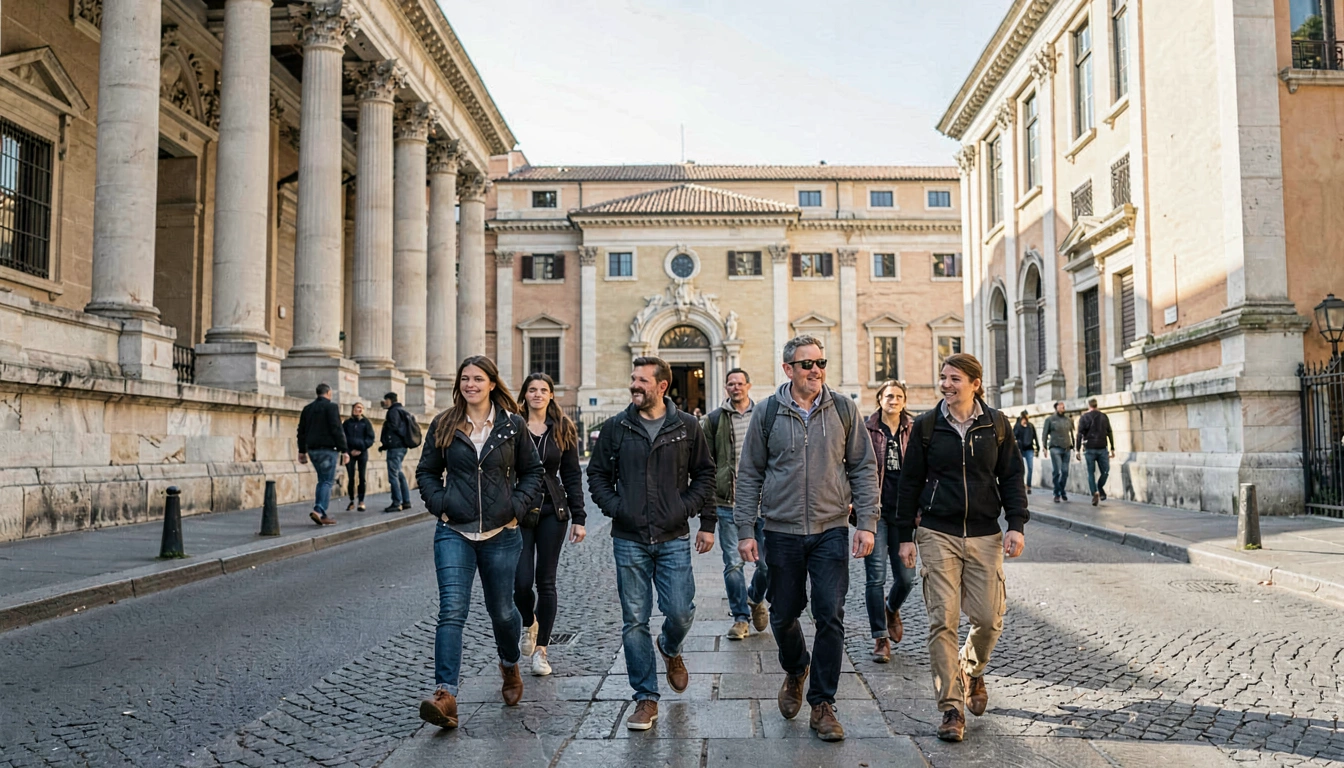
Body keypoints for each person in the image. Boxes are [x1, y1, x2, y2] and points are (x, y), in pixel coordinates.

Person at [735, 335, 879, 742]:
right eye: (806, 364)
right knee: (782, 614)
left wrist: (866, 522)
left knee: (830, 613)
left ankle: (822, 704)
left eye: (820, 363)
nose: (815, 370)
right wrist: (747, 529)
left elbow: (864, 469)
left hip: (831, 528)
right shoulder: (767, 413)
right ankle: (797, 668)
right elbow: (749, 475)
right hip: (780, 530)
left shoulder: (844, 409)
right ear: (788, 370)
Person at [896, 353, 1028, 743]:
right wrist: (905, 535)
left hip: (986, 534)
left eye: (954, 378)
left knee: (989, 618)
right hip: (937, 532)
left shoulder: (997, 424)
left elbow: (1012, 477)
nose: (946, 384)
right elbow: (909, 483)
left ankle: (971, 668)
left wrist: (1016, 525)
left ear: (975, 383)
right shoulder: (926, 426)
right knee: (944, 620)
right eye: (943, 378)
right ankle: (951, 708)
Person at [414, 355, 545, 730]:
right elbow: (426, 470)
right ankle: (445, 694)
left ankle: (509, 665)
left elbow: (532, 471)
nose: (471, 384)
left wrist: (514, 508)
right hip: (454, 532)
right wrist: (440, 504)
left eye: (478, 378)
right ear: (459, 385)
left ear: (492, 383)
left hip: (501, 535)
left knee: (503, 612)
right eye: (465, 378)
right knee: (451, 610)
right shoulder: (444, 423)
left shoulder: (512, 425)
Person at [587, 356, 716, 732]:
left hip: (674, 535)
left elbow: (705, 473)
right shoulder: (616, 427)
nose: (634, 386)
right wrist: (617, 508)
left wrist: (692, 512)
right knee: (634, 621)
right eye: (632, 379)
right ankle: (645, 698)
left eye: (641, 380)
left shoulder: (687, 426)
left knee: (680, 612)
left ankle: (671, 648)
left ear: (662, 386)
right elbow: (597, 475)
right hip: (629, 539)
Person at [514, 373, 587, 677]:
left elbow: (571, 475)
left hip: (552, 511)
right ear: (525, 395)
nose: (538, 394)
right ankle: (530, 622)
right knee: (519, 582)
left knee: (546, 580)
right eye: (532, 390)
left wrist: (580, 517)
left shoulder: (563, 430)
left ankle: (541, 651)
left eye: (543, 390)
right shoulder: (511, 427)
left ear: (551, 395)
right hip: (517, 511)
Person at [702, 368, 769, 641]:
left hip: (765, 503)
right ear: (726, 387)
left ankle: (755, 598)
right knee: (733, 564)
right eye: (731, 383)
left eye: (740, 383)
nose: (735, 387)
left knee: (768, 565)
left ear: (748, 386)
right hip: (728, 502)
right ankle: (740, 618)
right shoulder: (714, 420)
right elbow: (706, 463)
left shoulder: (763, 415)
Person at [862, 380, 918, 664]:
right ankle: (880, 637)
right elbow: (855, 466)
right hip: (875, 512)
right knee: (875, 577)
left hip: (905, 515)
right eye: (888, 396)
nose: (893, 400)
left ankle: (891, 608)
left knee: (907, 578)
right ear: (879, 399)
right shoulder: (867, 429)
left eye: (898, 396)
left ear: (904, 400)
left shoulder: (915, 429)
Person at [297, 383, 348, 526]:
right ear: (329, 393)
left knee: (322, 480)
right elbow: (336, 428)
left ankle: (322, 514)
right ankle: (319, 510)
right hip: (328, 449)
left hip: (312, 449)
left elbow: (301, 431)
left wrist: (302, 451)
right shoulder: (331, 407)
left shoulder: (308, 409)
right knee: (327, 481)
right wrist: (344, 450)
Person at [1076, 398, 1115, 506]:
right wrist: (1112, 447)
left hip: (1091, 448)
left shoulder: (1085, 417)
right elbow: (1110, 432)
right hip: (1100, 447)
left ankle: (1096, 491)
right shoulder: (1103, 416)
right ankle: (1098, 489)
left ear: (1089, 405)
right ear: (1096, 405)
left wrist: (1077, 450)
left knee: (1091, 472)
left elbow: (1079, 434)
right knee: (1105, 471)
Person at [380, 392, 414, 513]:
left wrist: (387, 441)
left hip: (395, 447)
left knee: (393, 475)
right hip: (402, 447)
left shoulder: (393, 411)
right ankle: (406, 501)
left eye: (386, 400)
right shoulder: (402, 410)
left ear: (390, 400)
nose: (384, 403)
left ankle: (397, 502)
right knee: (399, 473)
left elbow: (394, 427)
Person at [343, 402, 375, 511]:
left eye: (361, 408)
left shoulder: (366, 423)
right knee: (351, 477)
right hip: (350, 453)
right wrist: (348, 451)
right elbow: (343, 437)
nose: (359, 410)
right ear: (353, 409)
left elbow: (370, 438)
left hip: (362, 453)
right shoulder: (347, 423)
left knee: (362, 477)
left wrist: (361, 448)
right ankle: (351, 500)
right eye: (357, 408)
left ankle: (361, 501)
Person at [1042, 401, 1075, 502]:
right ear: (1056, 408)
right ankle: (1057, 493)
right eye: (1060, 407)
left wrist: (1074, 445)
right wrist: (1044, 447)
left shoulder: (1068, 420)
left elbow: (1072, 433)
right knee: (1057, 471)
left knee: (1065, 472)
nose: (1062, 408)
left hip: (1067, 448)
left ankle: (1062, 490)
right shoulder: (1050, 420)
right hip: (1055, 448)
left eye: (1063, 407)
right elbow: (1045, 434)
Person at [1013, 411, 1040, 495]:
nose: (1025, 419)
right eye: (1024, 418)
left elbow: (1035, 437)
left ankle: (1029, 486)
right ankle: (1021, 485)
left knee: (1030, 468)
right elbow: (1013, 436)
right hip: (1020, 449)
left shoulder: (1030, 426)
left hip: (1029, 449)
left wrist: (1038, 448)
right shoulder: (1017, 426)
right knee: (1021, 469)